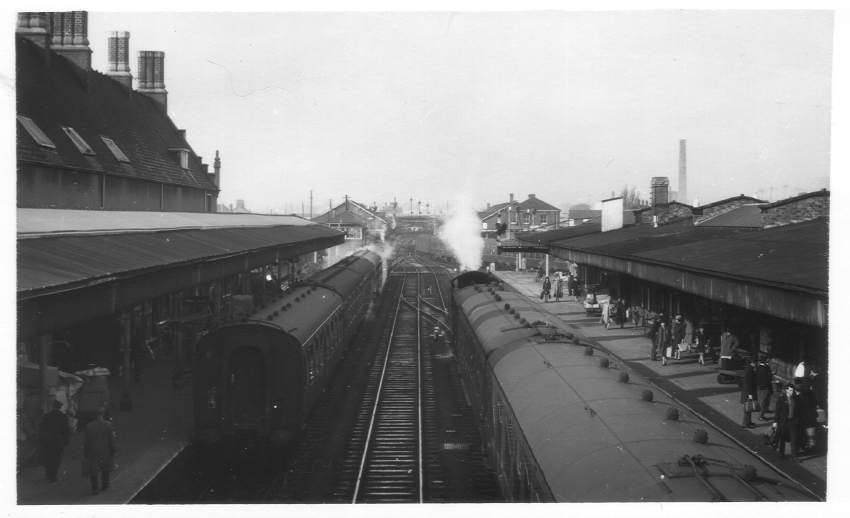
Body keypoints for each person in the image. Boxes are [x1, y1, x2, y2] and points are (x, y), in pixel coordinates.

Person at [83, 407, 117, 495]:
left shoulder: (89, 426)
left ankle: (95, 488)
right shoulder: (108, 425)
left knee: (93, 471)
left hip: (93, 451)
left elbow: (87, 441)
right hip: (105, 450)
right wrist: (113, 449)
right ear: (102, 415)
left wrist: (86, 452)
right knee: (105, 469)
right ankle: (105, 485)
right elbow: (111, 439)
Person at [39, 400, 70, 483]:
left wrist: (42, 439)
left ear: (53, 406)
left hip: (48, 440)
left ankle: (48, 474)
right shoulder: (63, 417)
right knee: (57, 458)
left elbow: (42, 429)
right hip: (58, 441)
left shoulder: (46, 416)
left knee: (48, 457)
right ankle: (53, 475)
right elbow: (66, 430)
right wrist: (66, 441)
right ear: (59, 407)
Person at [774, 383, 800, 459]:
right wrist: (775, 422)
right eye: (790, 390)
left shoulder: (795, 398)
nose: (792, 392)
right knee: (783, 438)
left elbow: (798, 409)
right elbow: (777, 411)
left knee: (794, 439)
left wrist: (797, 419)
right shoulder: (781, 398)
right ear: (786, 390)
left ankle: (794, 456)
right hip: (784, 421)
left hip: (792, 421)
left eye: (792, 390)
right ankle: (781, 454)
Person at [756, 354, 774, 420]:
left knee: (767, 400)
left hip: (766, 387)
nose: (768, 361)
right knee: (763, 402)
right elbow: (765, 378)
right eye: (767, 360)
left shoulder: (763, 367)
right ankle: (760, 416)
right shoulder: (762, 368)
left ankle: (765, 410)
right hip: (763, 388)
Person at [740, 360, 758, 428]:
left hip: (747, 393)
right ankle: (745, 424)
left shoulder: (749, 370)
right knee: (747, 409)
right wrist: (750, 395)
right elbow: (748, 384)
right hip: (748, 394)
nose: (755, 364)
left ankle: (748, 422)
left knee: (749, 409)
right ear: (752, 363)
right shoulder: (750, 371)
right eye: (754, 362)